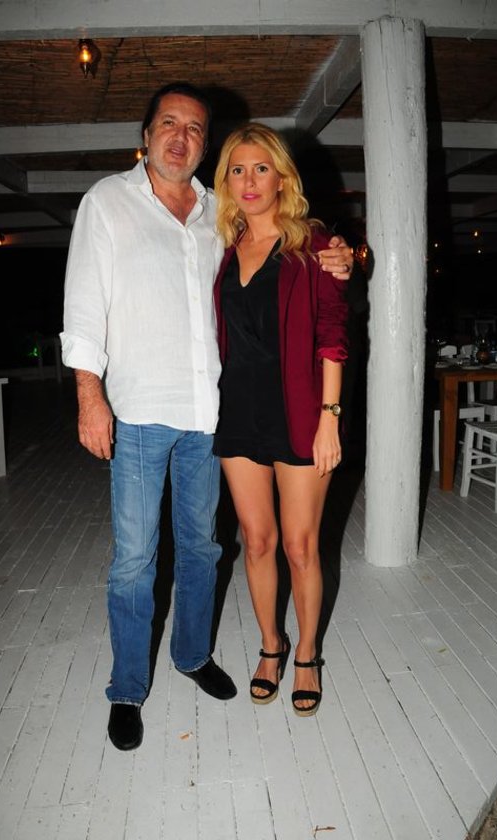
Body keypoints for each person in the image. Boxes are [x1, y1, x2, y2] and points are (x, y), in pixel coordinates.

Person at [61, 82, 354, 750]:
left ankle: (195, 655)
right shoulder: (108, 201)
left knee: (204, 549)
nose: (181, 137)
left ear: (205, 147)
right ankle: (127, 688)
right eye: (168, 123)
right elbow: (83, 306)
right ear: (146, 136)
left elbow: (316, 289)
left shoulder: (218, 215)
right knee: (136, 561)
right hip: (140, 410)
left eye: (194, 128)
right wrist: (88, 396)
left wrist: (342, 254)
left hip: (209, 414)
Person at [212, 123, 348, 716]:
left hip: (300, 413)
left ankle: (308, 653)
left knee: (300, 545)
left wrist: (330, 418)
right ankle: (272, 644)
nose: (249, 180)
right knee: (258, 540)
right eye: (237, 169)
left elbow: (333, 335)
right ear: (226, 181)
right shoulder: (223, 246)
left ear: (282, 178)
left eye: (261, 168)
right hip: (238, 413)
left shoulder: (314, 246)